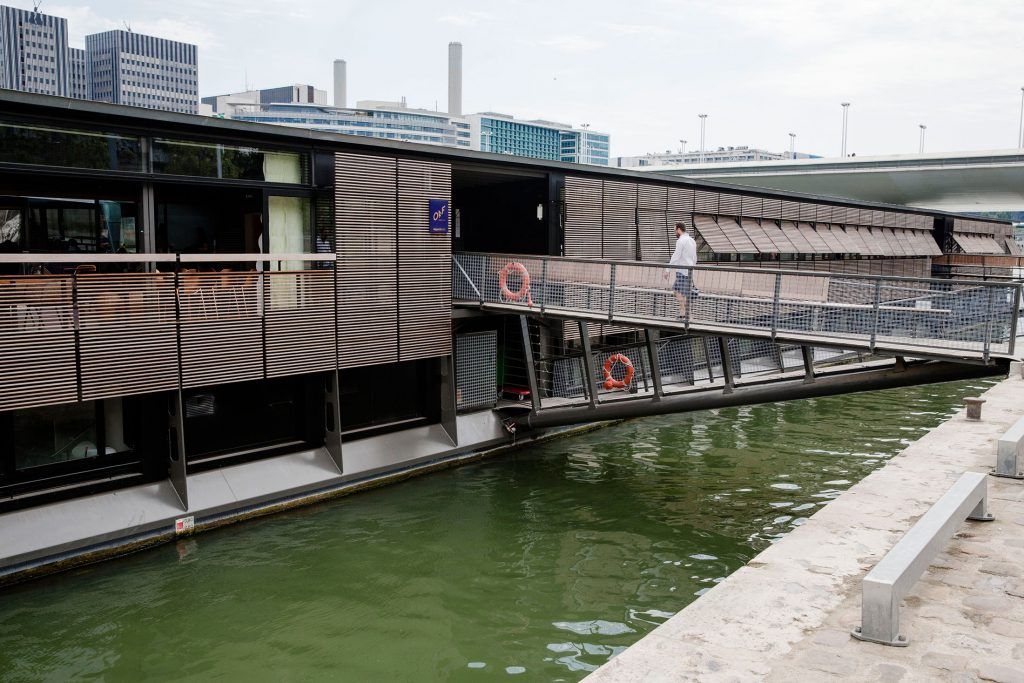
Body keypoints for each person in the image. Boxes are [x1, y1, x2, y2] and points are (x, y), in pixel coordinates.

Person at [665, 222, 697, 316]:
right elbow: (695, 257)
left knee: (681, 292)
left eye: (675, 230)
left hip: (682, 271)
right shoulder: (692, 240)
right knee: (677, 290)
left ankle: (685, 313)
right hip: (689, 270)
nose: (675, 232)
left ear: (679, 229)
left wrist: (667, 270)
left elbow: (676, 256)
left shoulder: (681, 241)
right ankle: (684, 312)